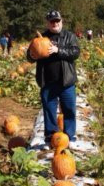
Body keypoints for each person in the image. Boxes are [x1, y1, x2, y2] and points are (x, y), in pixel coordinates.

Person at [27, 10, 80, 147]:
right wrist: (33, 55)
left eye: (57, 21)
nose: (55, 23)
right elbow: (29, 56)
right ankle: (50, 137)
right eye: (52, 21)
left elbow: (75, 52)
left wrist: (58, 50)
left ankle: (69, 137)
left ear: (61, 21)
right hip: (48, 82)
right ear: (48, 23)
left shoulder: (69, 36)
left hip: (66, 81)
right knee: (49, 110)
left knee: (69, 109)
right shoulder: (40, 38)